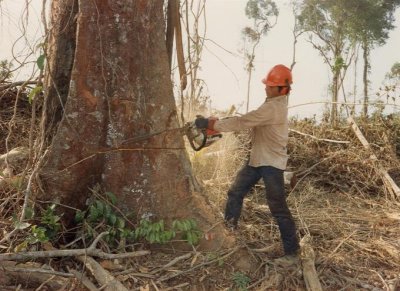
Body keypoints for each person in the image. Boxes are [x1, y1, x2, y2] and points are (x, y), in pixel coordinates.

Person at [195, 64, 300, 265]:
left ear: (282, 89)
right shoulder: (271, 104)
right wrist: (214, 121)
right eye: (267, 84)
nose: (266, 88)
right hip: (257, 159)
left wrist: (211, 124)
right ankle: (229, 233)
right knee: (235, 192)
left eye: (271, 85)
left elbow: (243, 122)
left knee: (277, 207)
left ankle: (293, 253)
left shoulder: (274, 107)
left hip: (271, 163)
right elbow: (245, 119)